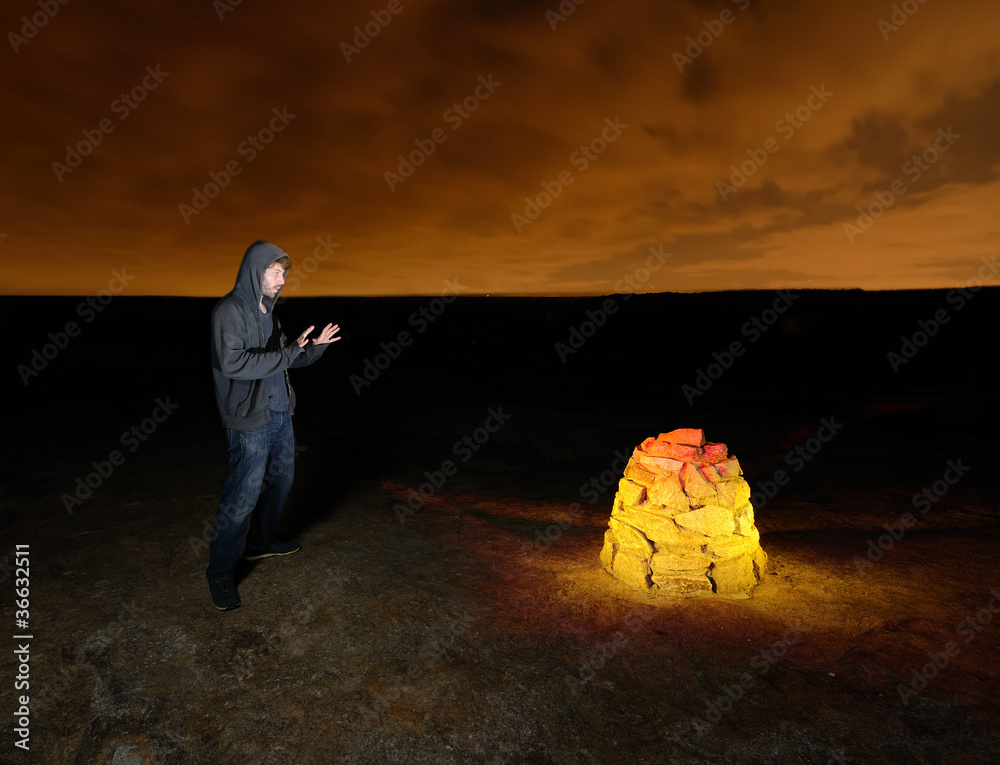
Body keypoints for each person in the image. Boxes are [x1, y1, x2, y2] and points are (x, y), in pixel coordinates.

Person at [206, 240, 340, 611]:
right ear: (256, 270)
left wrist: (312, 348)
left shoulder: (270, 313)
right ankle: (219, 572)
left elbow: (283, 361)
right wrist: (290, 351)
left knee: (281, 481)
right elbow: (233, 364)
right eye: (275, 272)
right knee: (242, 496)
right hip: (249, 418)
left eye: (284, 274)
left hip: (280, 414)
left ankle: (260, 545)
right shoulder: (229, 311)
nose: (282, 280)